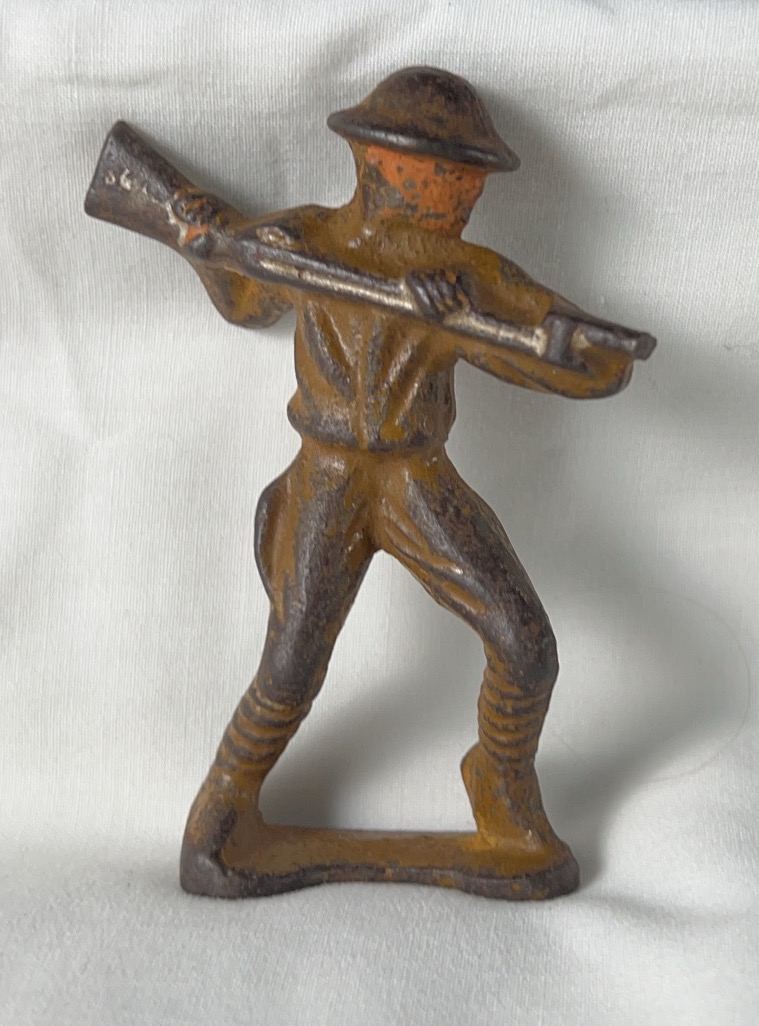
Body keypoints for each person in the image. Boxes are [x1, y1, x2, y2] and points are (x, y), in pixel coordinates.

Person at [178, 67, 637, 896]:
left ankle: (500, 787)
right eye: (447, 174)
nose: (464, 193)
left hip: (415, 480)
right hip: (324, 481)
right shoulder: (305, 240)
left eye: (469, 178)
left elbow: (572, 359)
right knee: (289, 666)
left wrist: (557, 345)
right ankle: (223, 807)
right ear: (374, 161)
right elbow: (245, 299)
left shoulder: (465, 275)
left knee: (524, 645)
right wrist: (208, 246)